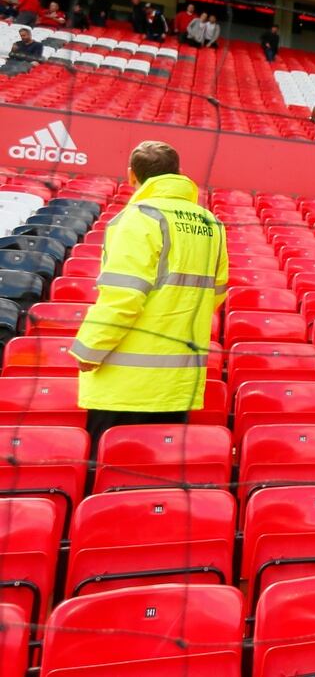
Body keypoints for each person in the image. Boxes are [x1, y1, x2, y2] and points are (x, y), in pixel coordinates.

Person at [69, 141, 228, 457]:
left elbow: (122, 297)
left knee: (111, 480)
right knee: (158, 482)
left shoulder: (137, 218)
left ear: (131, 177)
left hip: (126, 384)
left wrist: (88, 350)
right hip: (179, 379)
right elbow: (217, 293)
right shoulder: (212, 224)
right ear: (179, 173)